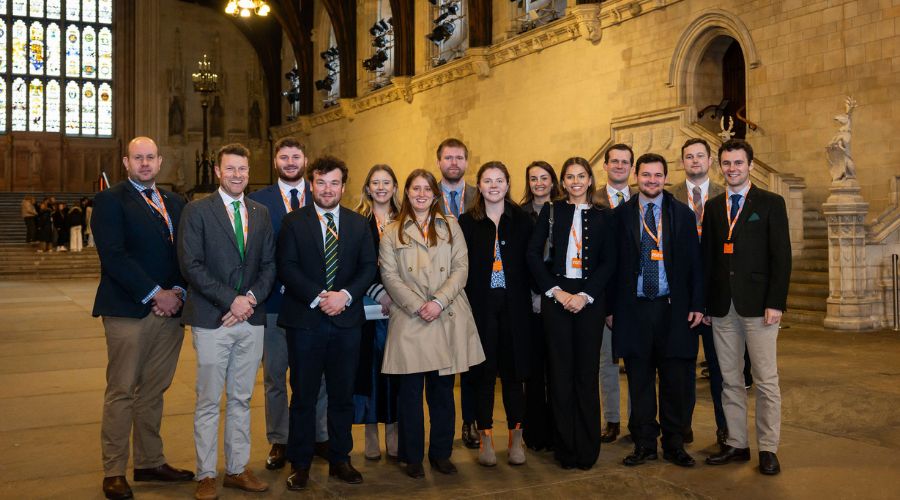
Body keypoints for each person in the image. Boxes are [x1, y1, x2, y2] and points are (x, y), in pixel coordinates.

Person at [91, 136, 193, 500]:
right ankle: (114, 470)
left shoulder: (176, 203)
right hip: (128, 310)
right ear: (126, 162)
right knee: (121, 391)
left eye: (151, 157)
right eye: (138, 158)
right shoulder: (110, 201)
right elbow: (114, 256)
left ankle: (150, 461)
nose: (145, 163)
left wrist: (179, 291)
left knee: (153, 391)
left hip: (171, 313)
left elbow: (187, 253)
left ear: (160, 162)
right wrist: (156, 293)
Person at [178, 143, 276, 500]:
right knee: (208, 399)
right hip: (211, 319)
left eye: (243, 169)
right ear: (218, 172)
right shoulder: (197, 211)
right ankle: (205, 474)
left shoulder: (260, 212)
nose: (237, 175)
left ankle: (236, 469)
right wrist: (229, 300)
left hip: (251, 318)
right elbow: (191, 264)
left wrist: (248, 300)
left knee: (241, 398)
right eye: (230, 169)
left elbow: (269, 265)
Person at [277, 155, 377, 489]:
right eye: (321, 182)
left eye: (334, 182)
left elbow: (368, 268)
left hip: (347, 323)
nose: (327, 189)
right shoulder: (294, 222)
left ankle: (340, 459)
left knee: (342, 396)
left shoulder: (358, 224)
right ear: (311, 184)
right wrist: (321, 296)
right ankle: (301, 463)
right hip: (305, 322)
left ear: (343, 187)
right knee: (303, 396)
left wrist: (345, 296)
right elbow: (287, 267)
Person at [379, 169, 486, 479]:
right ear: (407, 193)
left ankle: (441, 453)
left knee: (441, 392)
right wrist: (417, 305)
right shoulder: (391, 231)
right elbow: (389, 275)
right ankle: (412, 457)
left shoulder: (451, 226)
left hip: (445, 314)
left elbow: (461, 268)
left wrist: (438, 301)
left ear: (435, 194)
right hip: (410, 317)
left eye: (427, 189)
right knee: (409, 394)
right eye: (416, 189)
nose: (422, 194)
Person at [608, 153, 704, 468]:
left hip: (673, 310)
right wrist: (610, 309)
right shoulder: (619, 216)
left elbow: (695, 266)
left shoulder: (683, 215)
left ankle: (675, 444)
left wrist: (697, 304)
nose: (652, 180)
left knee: (675, 380)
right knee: (639, 381)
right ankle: (645, 444)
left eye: (657, 175)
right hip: (633, 310)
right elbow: (611, 267)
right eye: (646, 175)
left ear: (666, 177)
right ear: (636, 175)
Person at [703, 139, 791, 476]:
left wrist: (776, 302)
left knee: (766, 382)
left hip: (760, 308)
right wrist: (708, 304)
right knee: (729, 380)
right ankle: (737, 443)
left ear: (750, 165)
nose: (732, 169)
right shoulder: (713, 207)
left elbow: (781, 257)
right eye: (726, 163)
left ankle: (768, 448)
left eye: (738, 163)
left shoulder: (770, 203)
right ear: (719, 166)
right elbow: (709, 259)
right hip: (723, 308)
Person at [526, 157, 616, 470]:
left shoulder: (605, 216)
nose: (576, 181)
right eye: (569, 177)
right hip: (557, 301)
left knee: (586, 376)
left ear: (590, 180)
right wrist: (557, 292)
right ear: (562, 182)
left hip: (590, 302)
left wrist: (586, 296)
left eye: (581, 176)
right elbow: (533, 255)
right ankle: (565, 448)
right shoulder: (552, 211)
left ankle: (587, 449)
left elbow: (609, 261)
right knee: (560, 377)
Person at [247, 137, 330, 470]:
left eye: (296, 156)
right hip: (274, 304)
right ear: (276, 161)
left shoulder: (323, 194)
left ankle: (319, 435)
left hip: (315, 303)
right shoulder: (258, 201)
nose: (291, 162)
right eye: (285, 157)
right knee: (275, 376)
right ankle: (280, 439)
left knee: (317, 374)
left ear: (305, 160)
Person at [460, 161, 533, 466]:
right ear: (479, 186)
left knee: (515, 374)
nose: (493, 185)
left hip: (516, 306)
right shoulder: (466, 222)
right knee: (484, 373)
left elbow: (532, 263)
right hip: (481, 307)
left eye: (499, 180)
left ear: (507, 184)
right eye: (487, 181)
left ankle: (517, 438)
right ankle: (486, 436)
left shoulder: (523, 219)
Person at [672, 138, 727, 448]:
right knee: (682, 367)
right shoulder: (670, 198)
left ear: (710, 161)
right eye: (689, 157)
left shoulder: (724, 195)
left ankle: (724, 428)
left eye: (700, 156)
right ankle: (682, 426)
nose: (694, 161)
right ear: (682, 162)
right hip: (682, 297)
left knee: (720, 369)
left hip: (718, 295)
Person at [352, 164, 401, 461]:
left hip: (402, 307)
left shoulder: (406, 219)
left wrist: (400, 297)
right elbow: (354, 265)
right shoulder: (357, 222)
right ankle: (370, 430)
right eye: (375, 182)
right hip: (369, 309)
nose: (381, 187)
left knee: (396, 371)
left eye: (387, 182)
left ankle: (394, 430)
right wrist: (378, 292)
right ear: (368, 188)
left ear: (395, 187)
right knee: (370, 371)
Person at [434, 137, 480, 449]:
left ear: (466, 161)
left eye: (459, 157)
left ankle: (471, 422)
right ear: (439, 162)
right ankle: (441, 430)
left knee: (472, 361)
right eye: (448, 157)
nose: (454, 162)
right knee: (442, 363)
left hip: (477, 287)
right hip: (439, 288)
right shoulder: (424, 193)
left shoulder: (480, 194)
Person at [593, 144, 638, 444]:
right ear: (605, 166)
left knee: (638, 362)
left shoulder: (645, 197)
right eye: (615, 161)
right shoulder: (592, 200)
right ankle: (611, 419)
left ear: (632, 168)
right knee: (607, 361)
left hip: (637, 296)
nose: (620, 166)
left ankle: (639, 420)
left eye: (625, 162)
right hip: (605, 294)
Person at [519, 160, 561, 452]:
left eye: (544, 178)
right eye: (533, 179)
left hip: (559, 296)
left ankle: (558, 429)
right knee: (533, 371)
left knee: (557, 369)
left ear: (553, 181)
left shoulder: (563, 210)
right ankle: (534, 432)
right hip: (528, 298)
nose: (539, 183)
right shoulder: (520, 215)